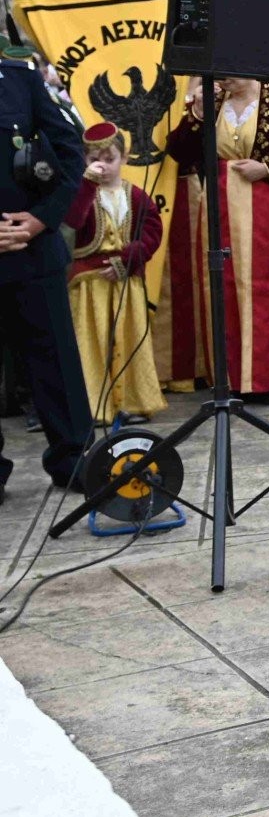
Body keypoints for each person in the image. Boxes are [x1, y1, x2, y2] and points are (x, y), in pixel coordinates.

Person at [159, 76, 269, 399]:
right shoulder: (212, 102)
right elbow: (179, 151)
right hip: (221, 206)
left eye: (228, 72)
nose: (221, 79)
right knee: (225, 285)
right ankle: (232, 376)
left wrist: (268, 168)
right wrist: (197, 116)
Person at [0, 51, 90, 503]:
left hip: (32, 251)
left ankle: (73, 459)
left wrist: (42, 219)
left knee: (54, 361)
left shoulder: (20, 78)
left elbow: (72, 150)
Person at [63, 123, 166, 424]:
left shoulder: (135, 195)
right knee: (91, 345)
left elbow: (152, 231)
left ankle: (132, 402)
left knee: (128, 339)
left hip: (125, 284)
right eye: (94, 158)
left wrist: (128, 258)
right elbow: (74, 221)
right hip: (88, 287)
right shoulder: (80, 192)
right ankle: (94, 406)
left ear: (125, 157)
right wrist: (87, 185)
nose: (102, 165)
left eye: (109, 158)